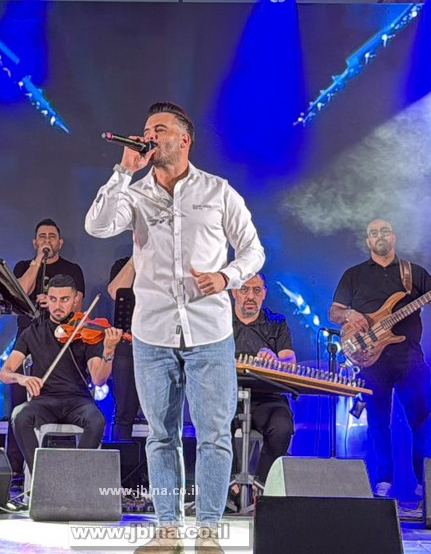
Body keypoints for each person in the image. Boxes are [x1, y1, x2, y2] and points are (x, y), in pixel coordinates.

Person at [85, 101, 265, 552]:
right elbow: (97, 226)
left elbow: (253, 250)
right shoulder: (135, 193)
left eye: (159, 129)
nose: (149, 136)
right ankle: (167, 529)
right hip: (153, 333)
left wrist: (226, 277)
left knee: (214, 435)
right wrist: (123, 172)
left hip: (209, 332)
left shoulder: (217, 190)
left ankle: (207, 532)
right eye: (146, 129)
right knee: (161, 435)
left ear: (184, 140)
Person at [329, 218, 431, 499]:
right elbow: (334, 312)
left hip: (408, 355)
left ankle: (424, 482)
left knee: (422, 417)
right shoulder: (353, 274)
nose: (379, 236)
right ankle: (383, 481)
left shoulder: (413, 272)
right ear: (368, 241)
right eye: (373, 233)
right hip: (369, 356)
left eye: (384, 231)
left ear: (393, 237)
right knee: (377, 422)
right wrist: (350, 314)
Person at [0, 274, 120, 477]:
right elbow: (4, 373)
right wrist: (22, 378)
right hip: (44, 401)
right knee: (19, 416)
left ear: (75, 300)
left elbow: (99, 380)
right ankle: (41, 478)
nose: (58, 306)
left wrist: (108, 352)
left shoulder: (85, 333)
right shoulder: (32, 332)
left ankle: (74, 478)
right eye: (53, 299)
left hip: (78, 402)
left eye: (64, 299)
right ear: (46, 300)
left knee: (97, 420)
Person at [5, 218, 86, 477]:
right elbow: (21, 290)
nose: (47, 240)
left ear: (60, 242)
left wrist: (53, 302)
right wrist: (38, 261)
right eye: (42, 236)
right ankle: (15, 468)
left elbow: (79, 306)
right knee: (18, 399)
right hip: (29, 335)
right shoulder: (24, 266)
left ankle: (68, 471)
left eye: (52, 236)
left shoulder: (72, 269)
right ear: (35, 242)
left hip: (62, 338)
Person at [230, 273, 296, 494]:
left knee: (282, 427)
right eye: (244, 289)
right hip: (227, 395)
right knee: (215, 425)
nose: (250, 296)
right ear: (234, 292)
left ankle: (261, 487)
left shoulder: (276, 322)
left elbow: (290, 361)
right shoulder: (220, 321)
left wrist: (275, 360)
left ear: (264, 294)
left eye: (256, 290)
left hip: (267, 397)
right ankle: (229, 488)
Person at [108, 256, 142, 441]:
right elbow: (115, 292)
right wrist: (135, 258)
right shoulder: (122, 265)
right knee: (123, 411)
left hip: (159, 345)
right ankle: (121, 453)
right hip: (128, 343)